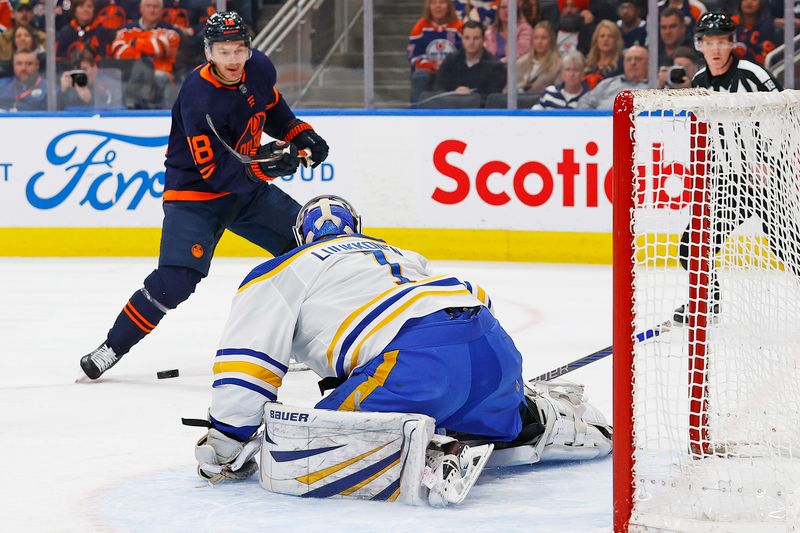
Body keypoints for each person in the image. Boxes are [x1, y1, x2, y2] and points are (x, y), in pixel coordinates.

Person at [189, 194, 613, 505]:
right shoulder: (398, 254)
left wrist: (226, 441)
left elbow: (247, 365)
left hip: (416, 364)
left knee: (296, 443)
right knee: (474, 400)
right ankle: (536, 415)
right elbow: (467, 310)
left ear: (300, 237)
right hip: (492, 349)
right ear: (356, 228)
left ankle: (433, 448)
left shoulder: (280, 269)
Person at [78, 11, 330, 380]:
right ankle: (111, 347)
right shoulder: (199, 96)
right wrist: (269, 167)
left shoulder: (257, 67)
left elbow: (270, 105)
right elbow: (215, 174)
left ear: (248, 49)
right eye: (224, 52)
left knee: (310, 244)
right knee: (175, 282)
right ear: (209, 53)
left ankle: (305, 341)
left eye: (239, 50)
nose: (233, 60)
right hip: (195, 195)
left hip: (246, 188)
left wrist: (297, 132)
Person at [673, 12, 789, 324]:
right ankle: (706, 302)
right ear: (699, 44)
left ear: (731, 43)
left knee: (789, 250)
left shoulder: (753, 74)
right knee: (692, 245)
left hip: (766, 181)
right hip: (729, 184)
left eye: (721, 41)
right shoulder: (699, 81)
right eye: (709, 42)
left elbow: (787, 114)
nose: (716, 49)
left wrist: (770, 160)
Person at [110, 0, 180, 107]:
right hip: (132, 78)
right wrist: (149, 52)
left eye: (155, 7)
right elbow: (118, 51)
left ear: (162, 10)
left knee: (158, 76)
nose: (152, 10)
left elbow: (160, 48)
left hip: (160, 79)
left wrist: (134, 42)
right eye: (148, 6)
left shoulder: (171, 31)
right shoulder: (125, 30)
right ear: (141, 8)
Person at [433, 20, 507, 104]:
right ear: (462, 39)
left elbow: (493, 99)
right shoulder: (450, 61)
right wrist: (453, 95)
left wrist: (470, 97)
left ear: (483, 39)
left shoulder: (495, 67)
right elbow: (438, 89)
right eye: (467, 38)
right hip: (451, 109)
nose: (471, 43)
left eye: (476, 38)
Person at [407, 0, 463, 103]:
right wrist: (431, 65)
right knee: (419, 76)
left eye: (442, 2)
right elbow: (413, 56)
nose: (438, 6)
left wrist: (446, 65)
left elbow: (464, 54)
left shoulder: (458, 27)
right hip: (428, 72)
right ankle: (416, 113)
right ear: (429, 6)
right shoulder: (420, 27)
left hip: (453, 72)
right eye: (433, 3)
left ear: (449, 6)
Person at [576, 43, 648, 109]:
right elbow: (584, 102)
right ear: (624, 64)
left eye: (638, 59)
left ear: (648, 63)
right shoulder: (608, 84)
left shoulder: (655, 85)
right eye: (628, 60)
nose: (633, 63)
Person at [516, 20, 561, 93]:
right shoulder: (521, 62)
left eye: (543, 38)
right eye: (536, 38)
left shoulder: (558, 64)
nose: (539, 42)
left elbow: (558, 90)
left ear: (551, 40)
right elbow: (508, 89)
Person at [731, 0, 777, 66]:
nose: (749, 2)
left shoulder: (767, 27)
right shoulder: (730, 23)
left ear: (761, 3)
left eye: (754, 0)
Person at [583, 19, 623, 89]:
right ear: (596, 40)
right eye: (602, 36)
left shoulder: (621, 64)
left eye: (610, 36)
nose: (606, 39)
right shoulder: (588, 64)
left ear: (616, 41)